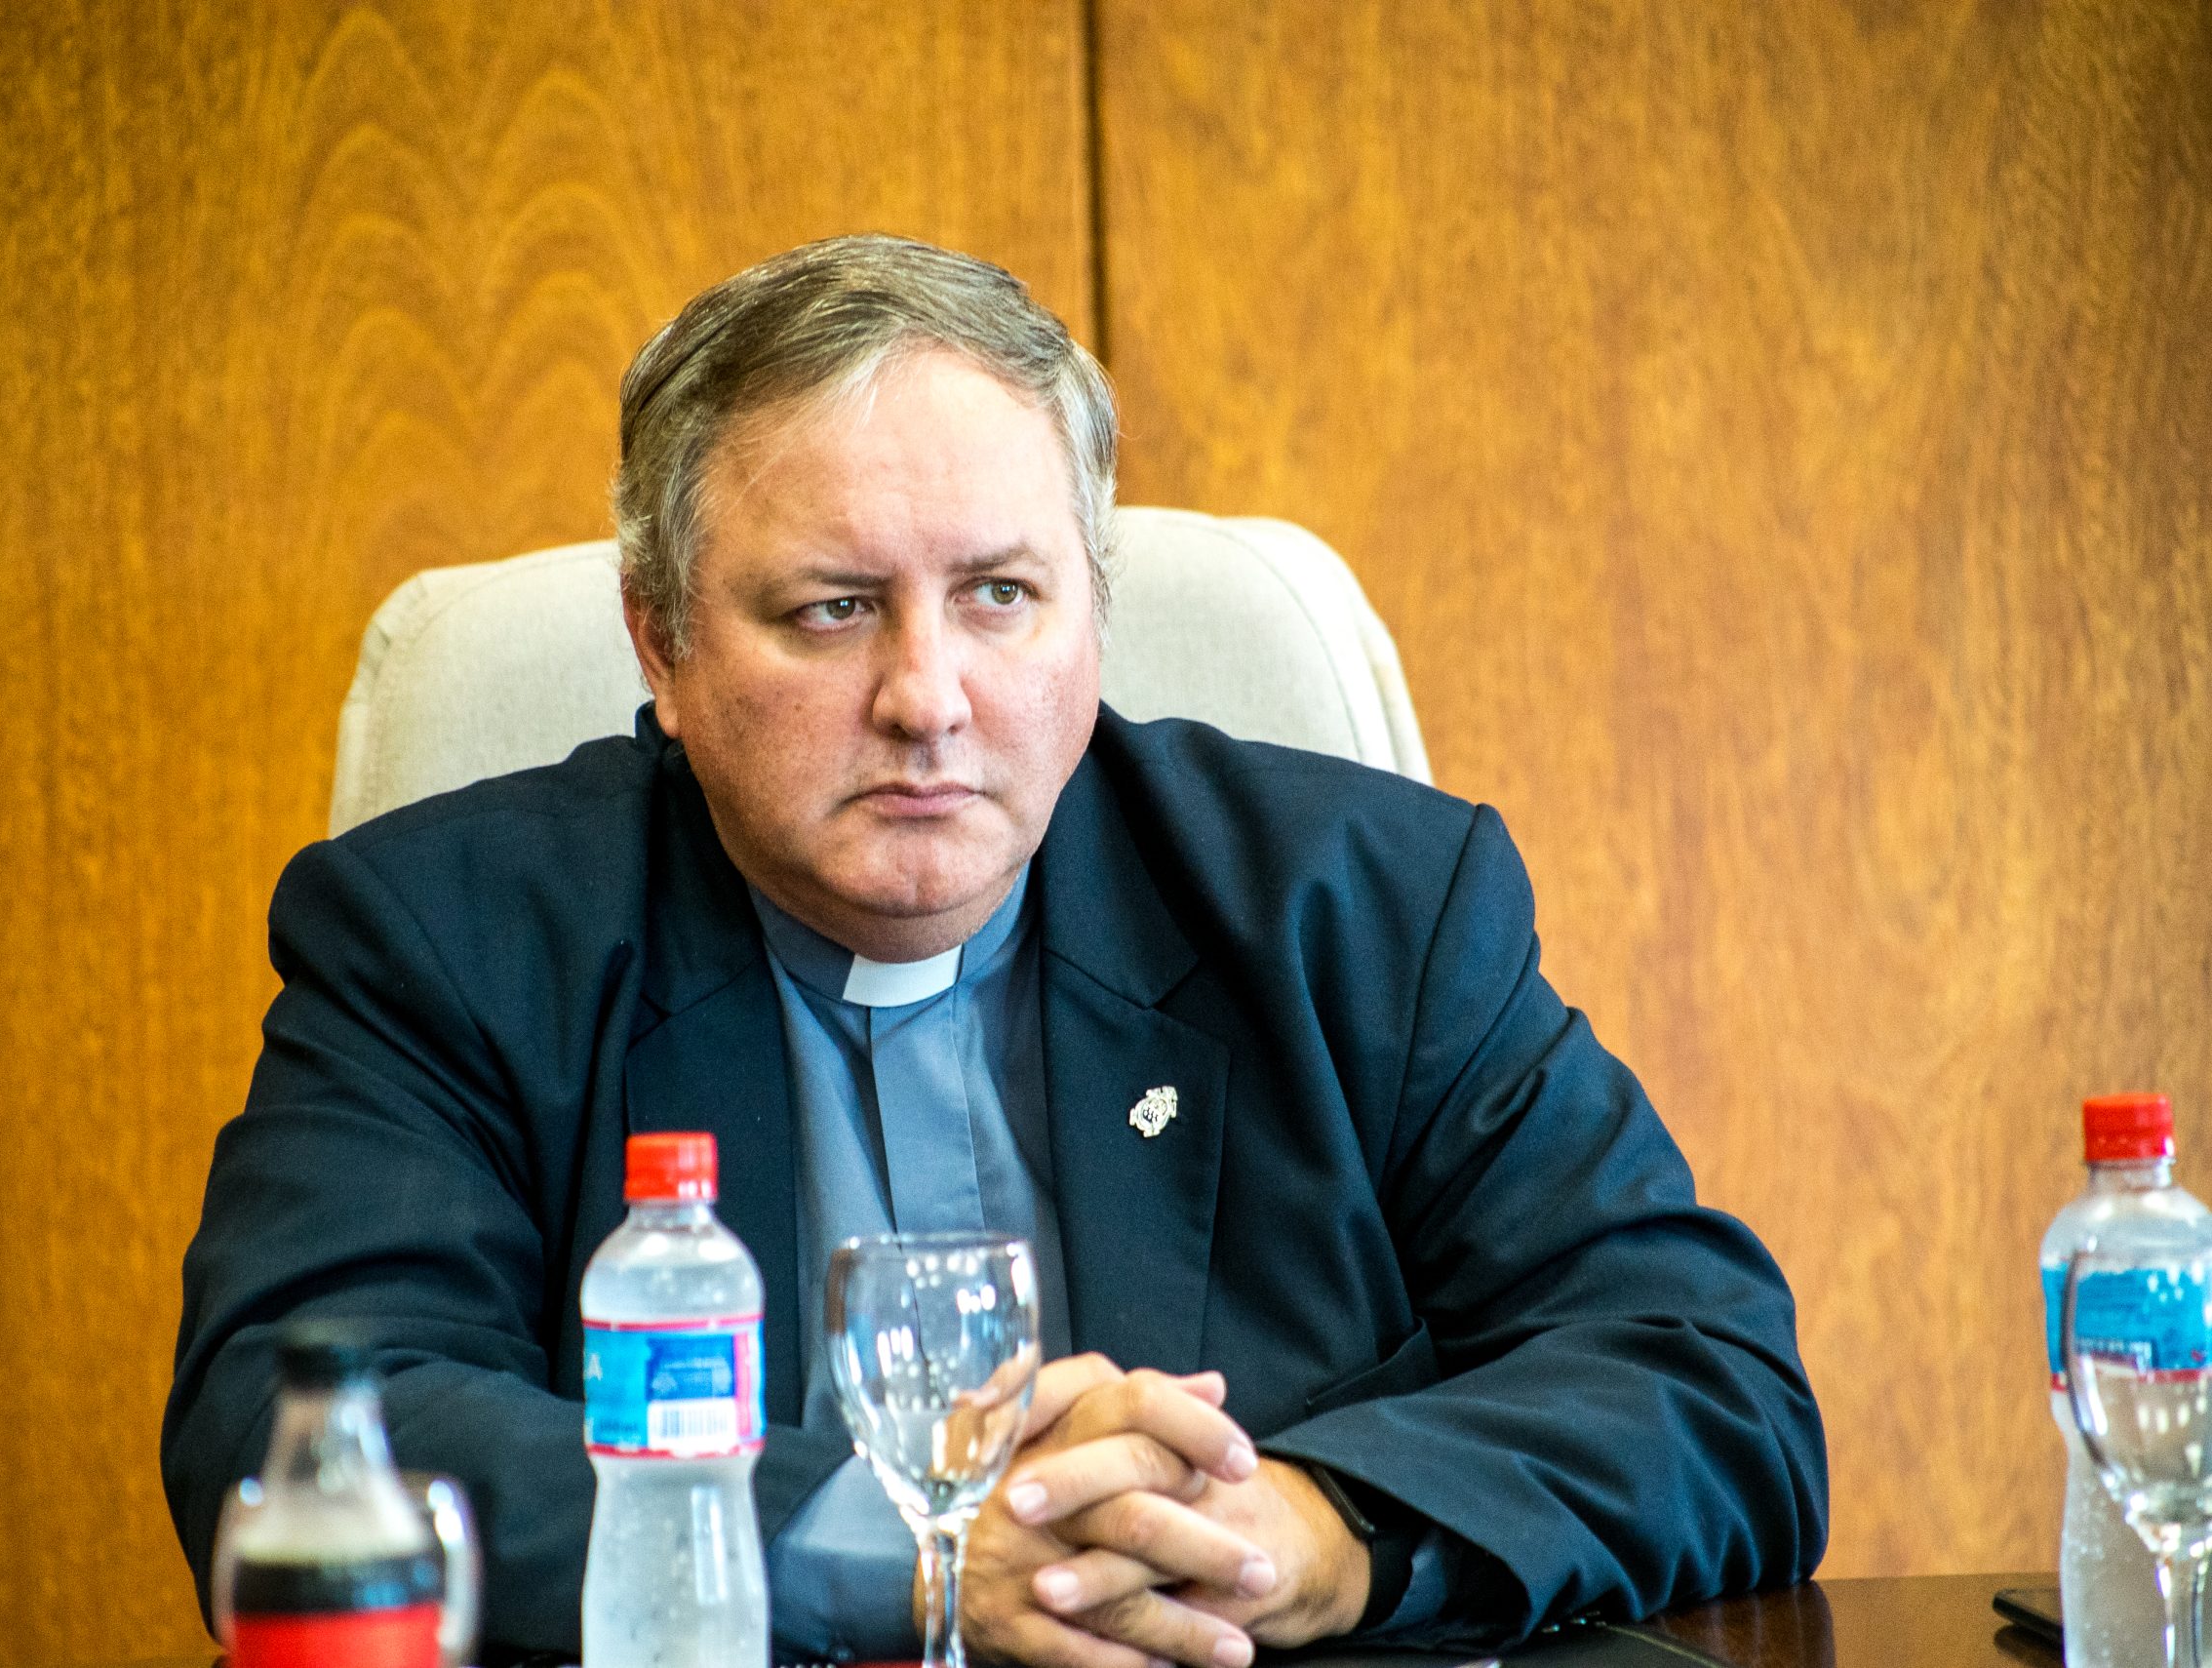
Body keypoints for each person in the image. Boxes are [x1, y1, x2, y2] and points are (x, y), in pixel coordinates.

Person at [163, 234, 1828, 1666]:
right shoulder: (446, 939)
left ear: (1092, 611)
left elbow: (1708, 1377)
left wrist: (1322, 1530)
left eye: (1002, 595)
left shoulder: (1365, 906)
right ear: (658, 643)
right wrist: (899, 1552)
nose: (929, 695)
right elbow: (293, 1434)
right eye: (832, 607)